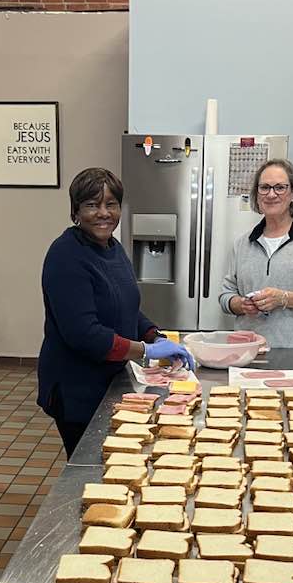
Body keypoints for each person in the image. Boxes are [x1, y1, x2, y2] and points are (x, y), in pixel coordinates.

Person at [37, 167, 194, 457]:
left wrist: (155, 335)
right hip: (77, 389)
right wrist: (145, 350)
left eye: (111, 204)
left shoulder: (112, 247)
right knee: (92, 466)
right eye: (92, 205)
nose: (103, 213)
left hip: (110, 380)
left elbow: (126, 306)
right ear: (75, 211)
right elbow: (84, 334)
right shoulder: (65, 255)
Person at [219, 159, 293, 373]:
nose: (271, 194)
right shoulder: (243, 243)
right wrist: (240, 304)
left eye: (280, 187)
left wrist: (284, 298)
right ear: (257, 194)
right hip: (249, 359)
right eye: (264, 187)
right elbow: (226, 296)